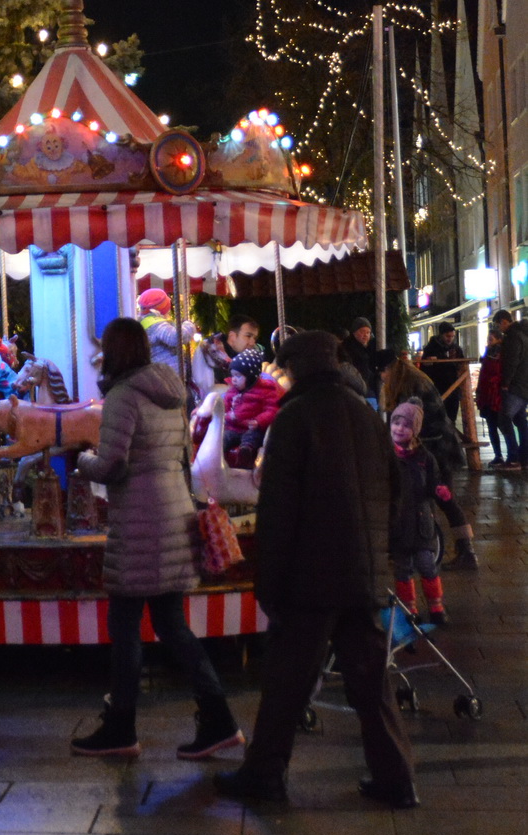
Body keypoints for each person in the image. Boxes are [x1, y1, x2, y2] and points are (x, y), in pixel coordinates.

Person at [216, 329, 416, 808]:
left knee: (287, 680)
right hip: (362, 572)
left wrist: (269, 580)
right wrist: (377, 548)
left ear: (297, 368)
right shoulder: (366, 416)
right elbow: (394, 488)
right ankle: (397, 779)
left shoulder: (294, 418)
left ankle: (264, 776)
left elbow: (279, 510)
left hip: (312, 576)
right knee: (372, 682)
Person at [70, 317, 243, 761]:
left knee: (125, 625)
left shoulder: (123, 396)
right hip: (174, 513)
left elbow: (112, 465)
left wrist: (82, 459)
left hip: (140, 522)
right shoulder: (171, 393)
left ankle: (122, 725)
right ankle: (218, 716)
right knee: (171, 625)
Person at [380, 353, 477, 569]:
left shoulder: (409, 388)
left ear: (390, 369)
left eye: (383, 371)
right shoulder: (414, 381)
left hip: (436, 451)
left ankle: (461, 552)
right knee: (443, 500)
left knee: (443, 499)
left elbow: (405, 423)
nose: (382, 377)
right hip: (438, 447)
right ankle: (457, 550)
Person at [388, 400, 447, 626]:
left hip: (422, 523)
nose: (399, 428)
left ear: (415, 430)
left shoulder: (424, 458)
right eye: (396, 423)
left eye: (406, 425)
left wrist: (439, 490)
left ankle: (436, 607)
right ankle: (409, 610)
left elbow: (434, 482)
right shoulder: (387, 456)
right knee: (403, 569)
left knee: (427, 564)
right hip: (399, 524)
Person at [221, 349, 282, 468]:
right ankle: (217, 457)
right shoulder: (232, 391)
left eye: (238, 376)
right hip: (233, 428)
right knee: (224, 437)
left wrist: (258, 421)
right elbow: (225, 406)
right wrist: (225, 414)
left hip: (252, 428)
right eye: (232, 375)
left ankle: (245, 454)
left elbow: (272, 410)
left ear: (250, 376)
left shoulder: (265, 390)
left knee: (251, 437)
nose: (233, 379)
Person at [191, 313, 262, 400]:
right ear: (232, 336)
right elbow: (205, 387)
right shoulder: (209, 351)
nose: (252, 342)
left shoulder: (250, 358)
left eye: (254, 338)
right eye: (248, 336)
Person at [477, 314, 517, 466]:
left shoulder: (501, 354)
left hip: (497, 396)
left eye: (491, 339)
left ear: (499, 339)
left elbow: (499, 373)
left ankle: (511, 455)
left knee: (503, 425)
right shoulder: (489, 354)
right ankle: (498, 455)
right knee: (492, 427)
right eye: (488, 340)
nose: (488, 343)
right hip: (488, 396)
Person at [495, 309, 528, 470]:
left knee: (504, 418)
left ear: (504, 321)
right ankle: (524, 458)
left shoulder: (513, 337)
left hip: (516, 385)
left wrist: (506, 383)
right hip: (524, 385)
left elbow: (511, 362)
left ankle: (514, 458)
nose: (499, 329)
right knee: (521, 421)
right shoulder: (523, 334)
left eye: (498, 325)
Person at [136, 288, 195, 377]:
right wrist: (189, 325)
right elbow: (175, 338)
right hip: (166, 376)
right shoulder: (154, 323)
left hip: (162, 373)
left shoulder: (146, 321)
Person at [420, 321, 469, 426]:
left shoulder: (456, 349)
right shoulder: (431, 348)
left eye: (452, 336)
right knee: (438, 417)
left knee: (451, 417)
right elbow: (424, 367)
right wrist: (429, 362)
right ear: (441, 334)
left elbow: (462, 363)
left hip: (453, 387)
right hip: (437, 388)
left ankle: (451, 438)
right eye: (447, 336)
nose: (450, 339)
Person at [340, 317, 385, 406]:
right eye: (362, 332)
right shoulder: (350, 349)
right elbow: (362, 370)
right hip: (358, 390)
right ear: (354, 332)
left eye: (368, 332)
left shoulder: (366, 349)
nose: (365, 335)